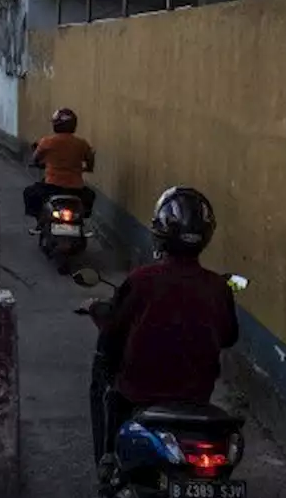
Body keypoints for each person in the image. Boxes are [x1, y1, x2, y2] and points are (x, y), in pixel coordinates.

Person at [88, 186, 240, 472]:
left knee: (108, 390)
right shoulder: (219, 286)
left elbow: (114, 331)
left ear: (160, 231)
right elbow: (230, 336)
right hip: (197, 394)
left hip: (140, 392)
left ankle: (109, 461)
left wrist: (100, 316)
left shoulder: (142, 279)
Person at [23, 107, 96, 227]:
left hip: (52, 186)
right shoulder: (82, 144)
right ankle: (80, 220)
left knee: (29, 193)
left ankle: (39, 220)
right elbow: (90, 159)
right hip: (76, 189)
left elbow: (35, 158)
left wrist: (37, 163)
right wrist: (88, 168)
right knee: (90, 196)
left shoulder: (47, 142)